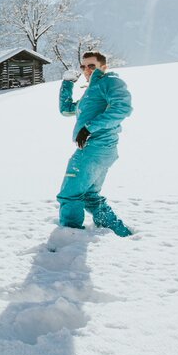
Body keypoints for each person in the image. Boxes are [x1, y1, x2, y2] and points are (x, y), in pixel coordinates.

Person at [56, 50, 133, 237]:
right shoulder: (90, 92)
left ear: (103, 67)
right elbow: (66, 110)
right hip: (100, 149)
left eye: (92, 66)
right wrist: (67, 83)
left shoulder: (110, 81)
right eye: (83, 66)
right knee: (90, 197)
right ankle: (121, 234)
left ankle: (70, 240)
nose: (86, 70)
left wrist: (89, 128)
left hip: (96, 147)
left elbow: (122, 108)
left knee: (70, 194)